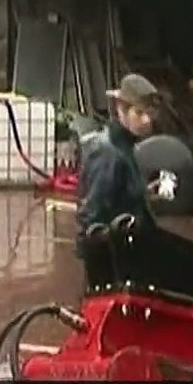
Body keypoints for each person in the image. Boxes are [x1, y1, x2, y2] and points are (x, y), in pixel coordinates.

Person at [76, 73, 162, 258]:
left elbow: (120, 196)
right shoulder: (108, 152)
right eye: (139, 113)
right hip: (114, 258)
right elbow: (92, 214)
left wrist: (145, 192)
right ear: (121, 110)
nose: (147, 120)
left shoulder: (126, 147)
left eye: (150, 113)